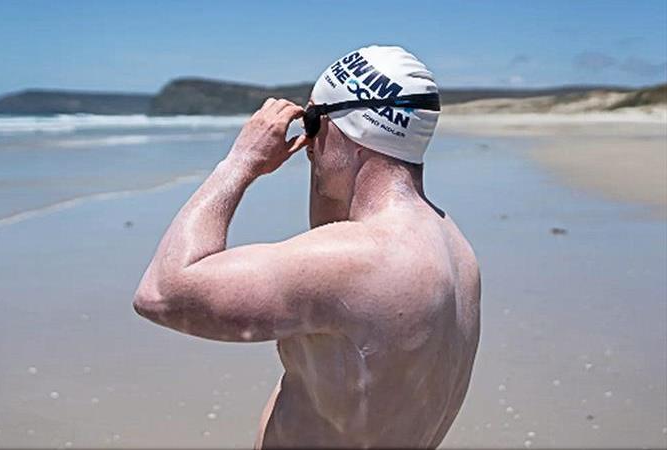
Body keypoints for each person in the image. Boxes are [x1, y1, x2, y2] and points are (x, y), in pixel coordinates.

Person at [133, 45, 480, 448]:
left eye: (313, 122)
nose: (309, 145)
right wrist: (329, 148)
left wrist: (240, 162)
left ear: (352, 129)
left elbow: (161, 292)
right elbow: (329, 235)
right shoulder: (455, 249)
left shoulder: (357, 260)